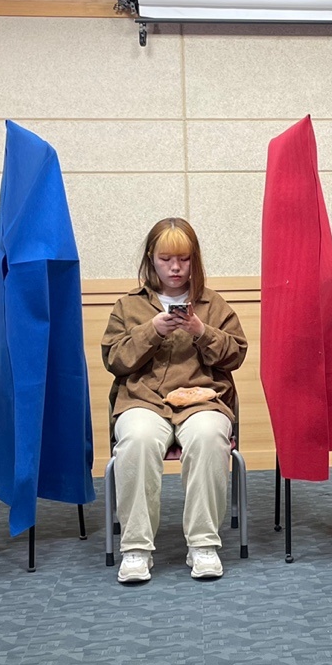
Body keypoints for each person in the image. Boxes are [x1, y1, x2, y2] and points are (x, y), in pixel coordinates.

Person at [102, 218, 248, 583]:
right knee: (136, 439)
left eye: (183, 259)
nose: (175, 268)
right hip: (142, 400)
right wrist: (151, 331)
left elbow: (236, 355)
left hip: (202, 400)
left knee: (208, 436)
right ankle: (136, 548)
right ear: (151, 260)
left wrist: (201, 331)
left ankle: (203, 544)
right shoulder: (128, 306)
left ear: (194, 260)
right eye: (166, 259)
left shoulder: (213, 305)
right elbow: (114, 360)